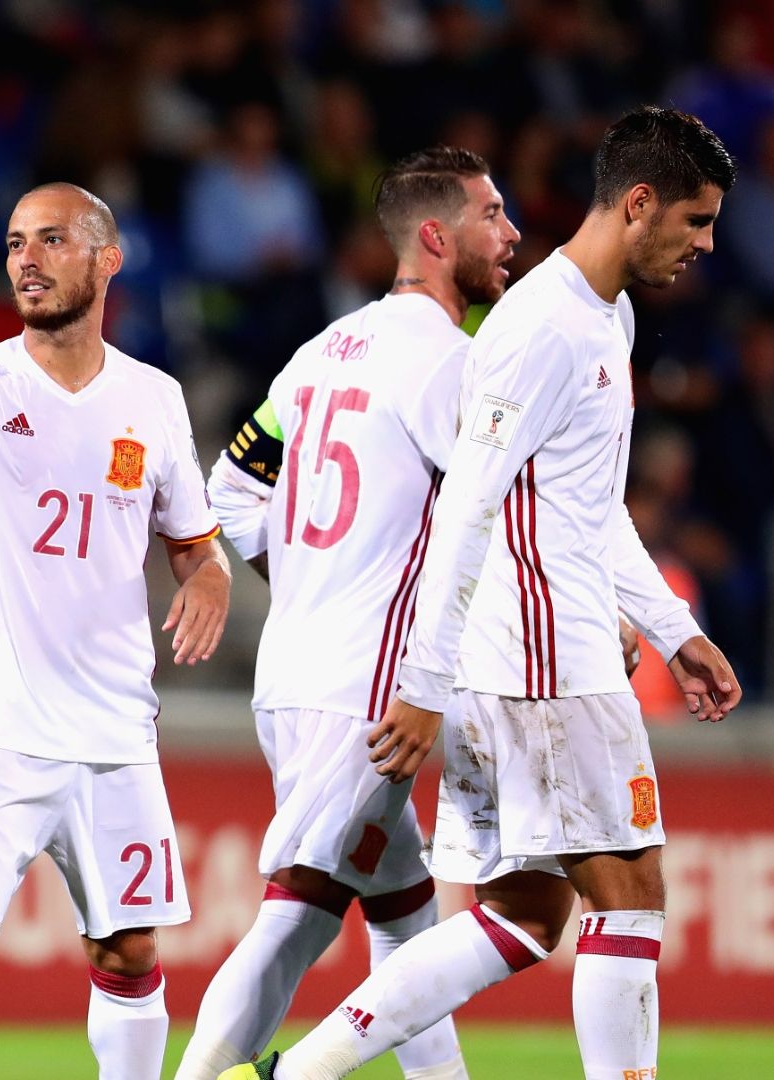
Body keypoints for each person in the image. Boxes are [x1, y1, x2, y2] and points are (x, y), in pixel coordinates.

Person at [227, 105, 744, 1080]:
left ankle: (298, 1073)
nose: (706, 244)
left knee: (524, 915)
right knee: (631, 892)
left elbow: (590, 505)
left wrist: (673, 628)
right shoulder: (541, 329)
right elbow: (466, 503)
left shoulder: (608, 315)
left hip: (537, 652)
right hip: (540, 662)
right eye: (697, 220)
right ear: (639, 203)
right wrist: (424, 683)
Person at [0, 181, 231, 1080]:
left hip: (116, 734)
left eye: (52, 239)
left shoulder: (154, 397)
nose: (26, 258)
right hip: (1, 728)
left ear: (108, 259)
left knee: (130, 952)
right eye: (17, 241)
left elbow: (194, 544)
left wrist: (211, 577)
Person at [177, 147, 520, 1080]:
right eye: (493, 215)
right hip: (369, 690)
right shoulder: (450, 364)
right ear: (436, 236)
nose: (513, 234)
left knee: (405, 910)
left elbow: (231, 489)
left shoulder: (322, 351)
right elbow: (490, 512)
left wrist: (308, 576)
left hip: (296, 668)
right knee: (300, 910)